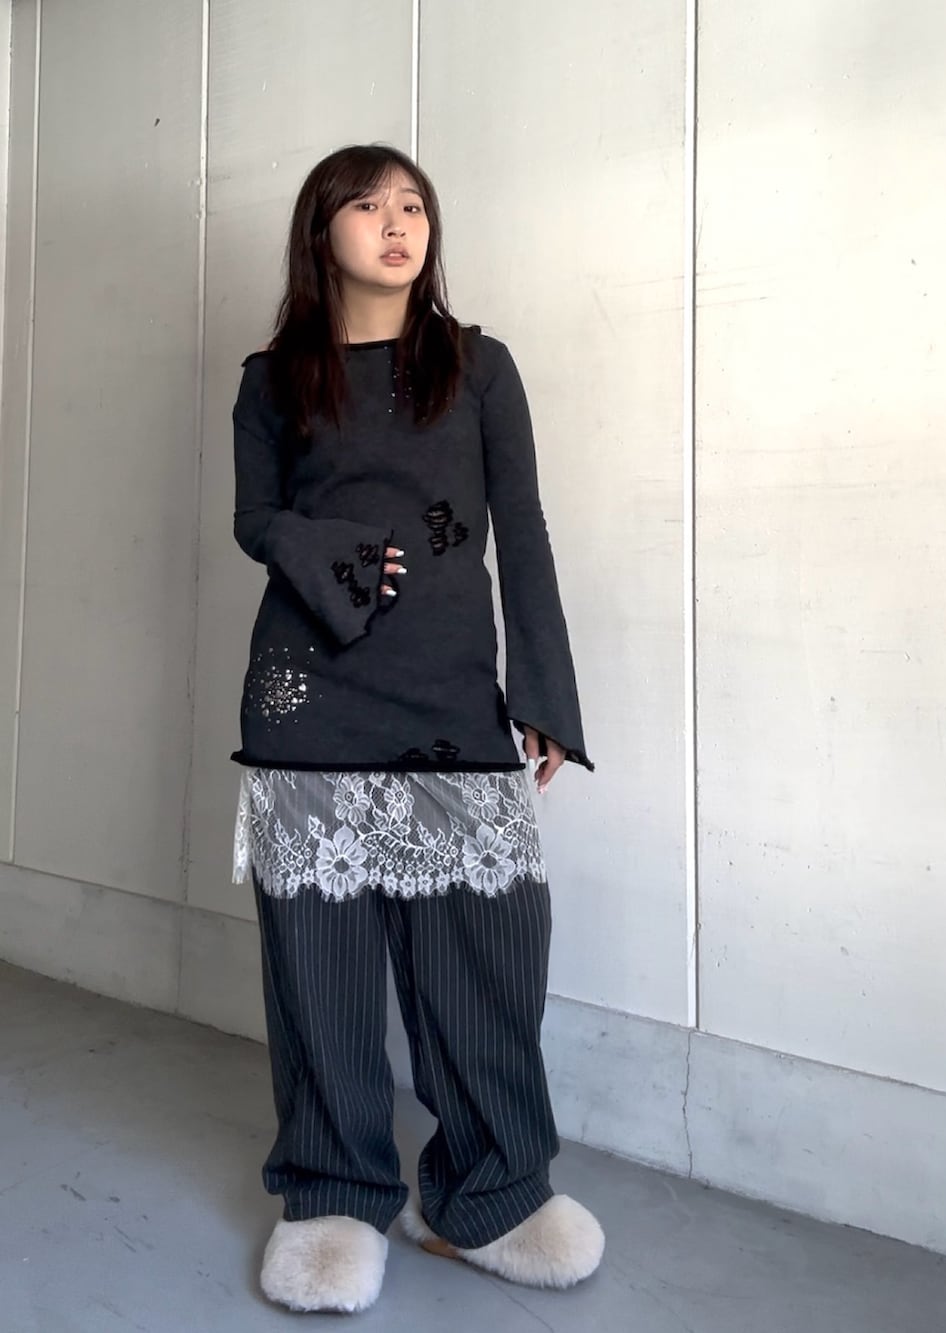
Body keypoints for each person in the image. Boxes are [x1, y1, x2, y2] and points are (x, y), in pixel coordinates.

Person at [230, 143, 601, 1314]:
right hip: (309, 698)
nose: (396, 224)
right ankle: (335, 1195)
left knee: (483, 959)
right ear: (320, 232)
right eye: (366, 205)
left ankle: (489, 1195)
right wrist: (335, 556)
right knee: (320, 971)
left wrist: (543, 691)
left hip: (450, 695)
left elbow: (521, 525)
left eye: (413, 206)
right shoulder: (274, 378)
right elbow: (254, 517)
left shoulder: (477, 366)